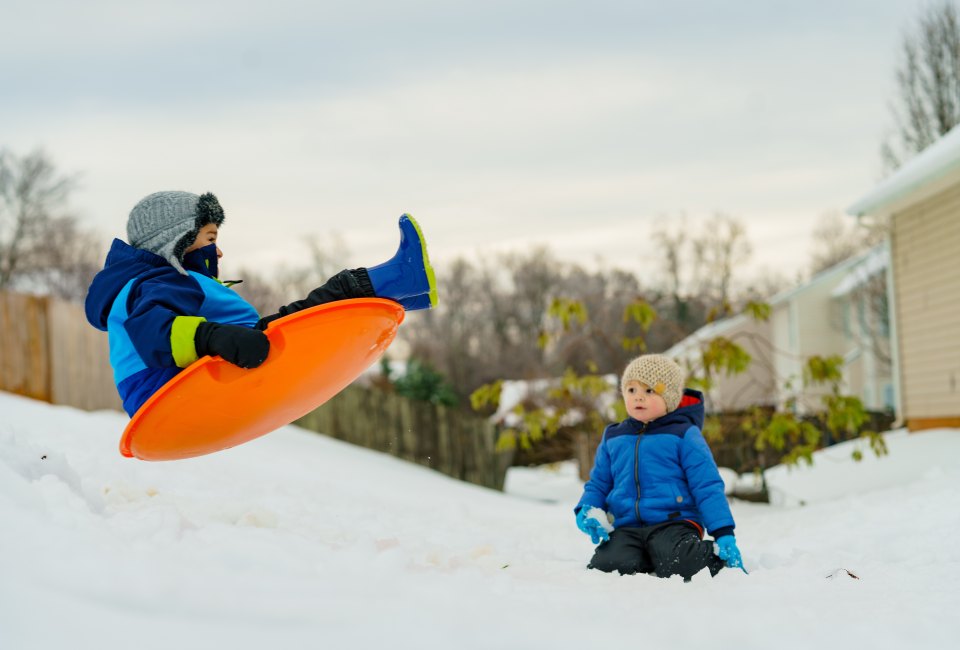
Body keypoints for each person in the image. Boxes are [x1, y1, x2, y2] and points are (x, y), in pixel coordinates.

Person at [85, 190, 437, 417]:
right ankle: (397, 278)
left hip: (173, 389)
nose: (217, 251)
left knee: (292, 321)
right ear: (177, 241)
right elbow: (152, 331)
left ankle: (403, 289)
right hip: (167, 392)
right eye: (210, 238)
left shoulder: (153, 283)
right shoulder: (159, 282)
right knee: (303, 317)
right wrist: (212, 337)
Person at [573, 354, 745, 581]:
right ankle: (645, 556)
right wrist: (586, 509)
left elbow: (706, 485)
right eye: (631, 390)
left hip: (674, 523)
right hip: (627, 526)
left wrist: (723, 532)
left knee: (680, 563)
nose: (638, 398)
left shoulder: (684, 434)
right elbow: (600, 482)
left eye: (649, 391)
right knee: (607, 566)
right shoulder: (614, 436)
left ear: (669, 398)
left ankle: (712, 557)